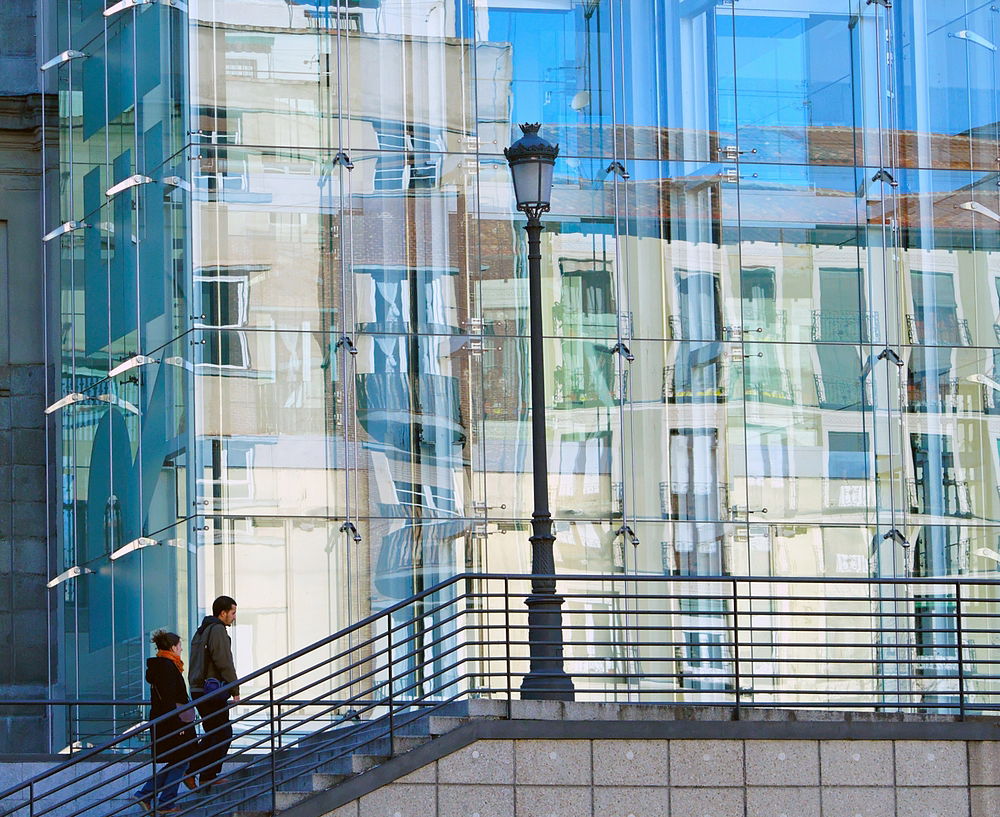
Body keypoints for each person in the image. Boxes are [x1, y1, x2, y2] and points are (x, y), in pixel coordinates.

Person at [134, 630, 196, 814]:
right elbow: (169, 699)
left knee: (179, 759)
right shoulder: (168, 668)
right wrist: (179, 725)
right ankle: (165, 802)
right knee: (181, 759)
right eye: (179, 646)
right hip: (173, 722)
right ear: (172, 647)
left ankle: (147, 795)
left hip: (165, 721)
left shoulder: (162, 666)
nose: (181, 649)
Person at [187, 595, 240, 788]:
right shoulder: (217, 630)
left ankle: (204, 773)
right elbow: (224, 661)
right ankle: (195, 770)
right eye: (233, 613)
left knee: (214, 732)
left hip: (199, 690)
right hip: (211, 691)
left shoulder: (201, 630)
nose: (234, 617)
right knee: (223, 732)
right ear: (223, 612)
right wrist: (235, 689)